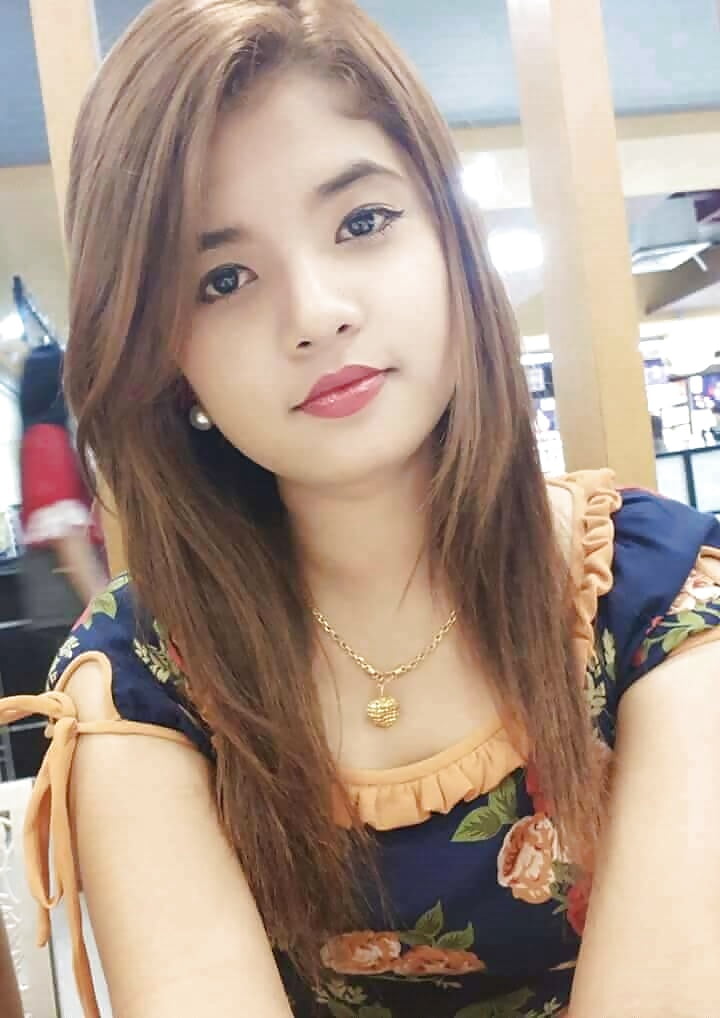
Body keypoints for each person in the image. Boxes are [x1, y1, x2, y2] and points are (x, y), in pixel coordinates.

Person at [0, 2, 719, 1016]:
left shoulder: (657, 597)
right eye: (224, 278)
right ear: (165, 356)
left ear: (452, 238)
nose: (316, 312)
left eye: (363, 222)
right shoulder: (139, 684)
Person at [18, 341, 107, 668]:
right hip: (70, 600)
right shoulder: (48, 440)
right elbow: (67, 535)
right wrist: (103, 605)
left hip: (56, 603)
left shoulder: (36, 438)